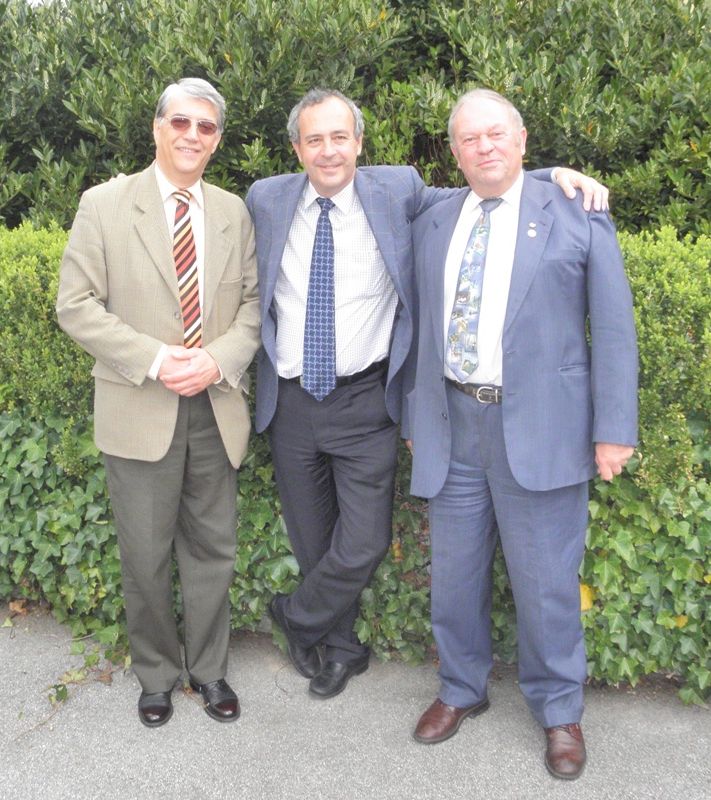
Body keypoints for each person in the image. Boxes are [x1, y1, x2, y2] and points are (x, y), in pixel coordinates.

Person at [245, 88, 609, 700]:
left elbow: (488, 183)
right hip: (291, 401)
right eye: (315, 139)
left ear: (359, 142)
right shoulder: (265, 198)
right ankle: (341, 649)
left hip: (365, 400)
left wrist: (553, 175)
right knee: (313, 539)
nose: (329, 150)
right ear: (297, 149)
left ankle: (295, 615)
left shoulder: (399, 190)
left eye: (340, 137)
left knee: (362, 541)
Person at [405, 88, 638, 779]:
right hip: (452, 425)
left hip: (542, 429)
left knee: (545, 584)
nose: (484, 147)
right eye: (469, 139)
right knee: (453, 578)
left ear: (524, 139)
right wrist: (418, 417)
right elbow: (417, 327)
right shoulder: (433, 216)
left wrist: (613, 429)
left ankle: (559, 710)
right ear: (453, 152)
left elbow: (614, 329)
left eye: (497, 134)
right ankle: (460, 688)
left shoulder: (576, 210)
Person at [56, 78, 260, 728]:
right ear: (157, 127)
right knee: (144, 556)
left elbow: (253, 306)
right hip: (141, 406)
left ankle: (209, 670)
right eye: (181, 122)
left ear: (217, 140)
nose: (192, 135)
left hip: (215, 406)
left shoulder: (232, 212)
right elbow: (75, 305)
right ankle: (156, 675)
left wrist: (217, 359)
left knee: (212, 552)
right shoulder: (104, 205)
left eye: (206, 126)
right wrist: (155, 358)